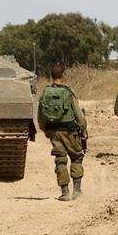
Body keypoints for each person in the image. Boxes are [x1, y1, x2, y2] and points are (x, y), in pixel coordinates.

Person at [37, 64, 87, 201]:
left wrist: (46, 130)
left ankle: (65, 193)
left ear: (51, 76)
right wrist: (83, 129)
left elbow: (40, 116)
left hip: (54, 131)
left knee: (60, 161)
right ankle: (76, 191)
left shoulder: (45, 92)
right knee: (76, 157)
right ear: (63, 76)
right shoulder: (68, 92)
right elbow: (79, 115)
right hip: (70, 131)